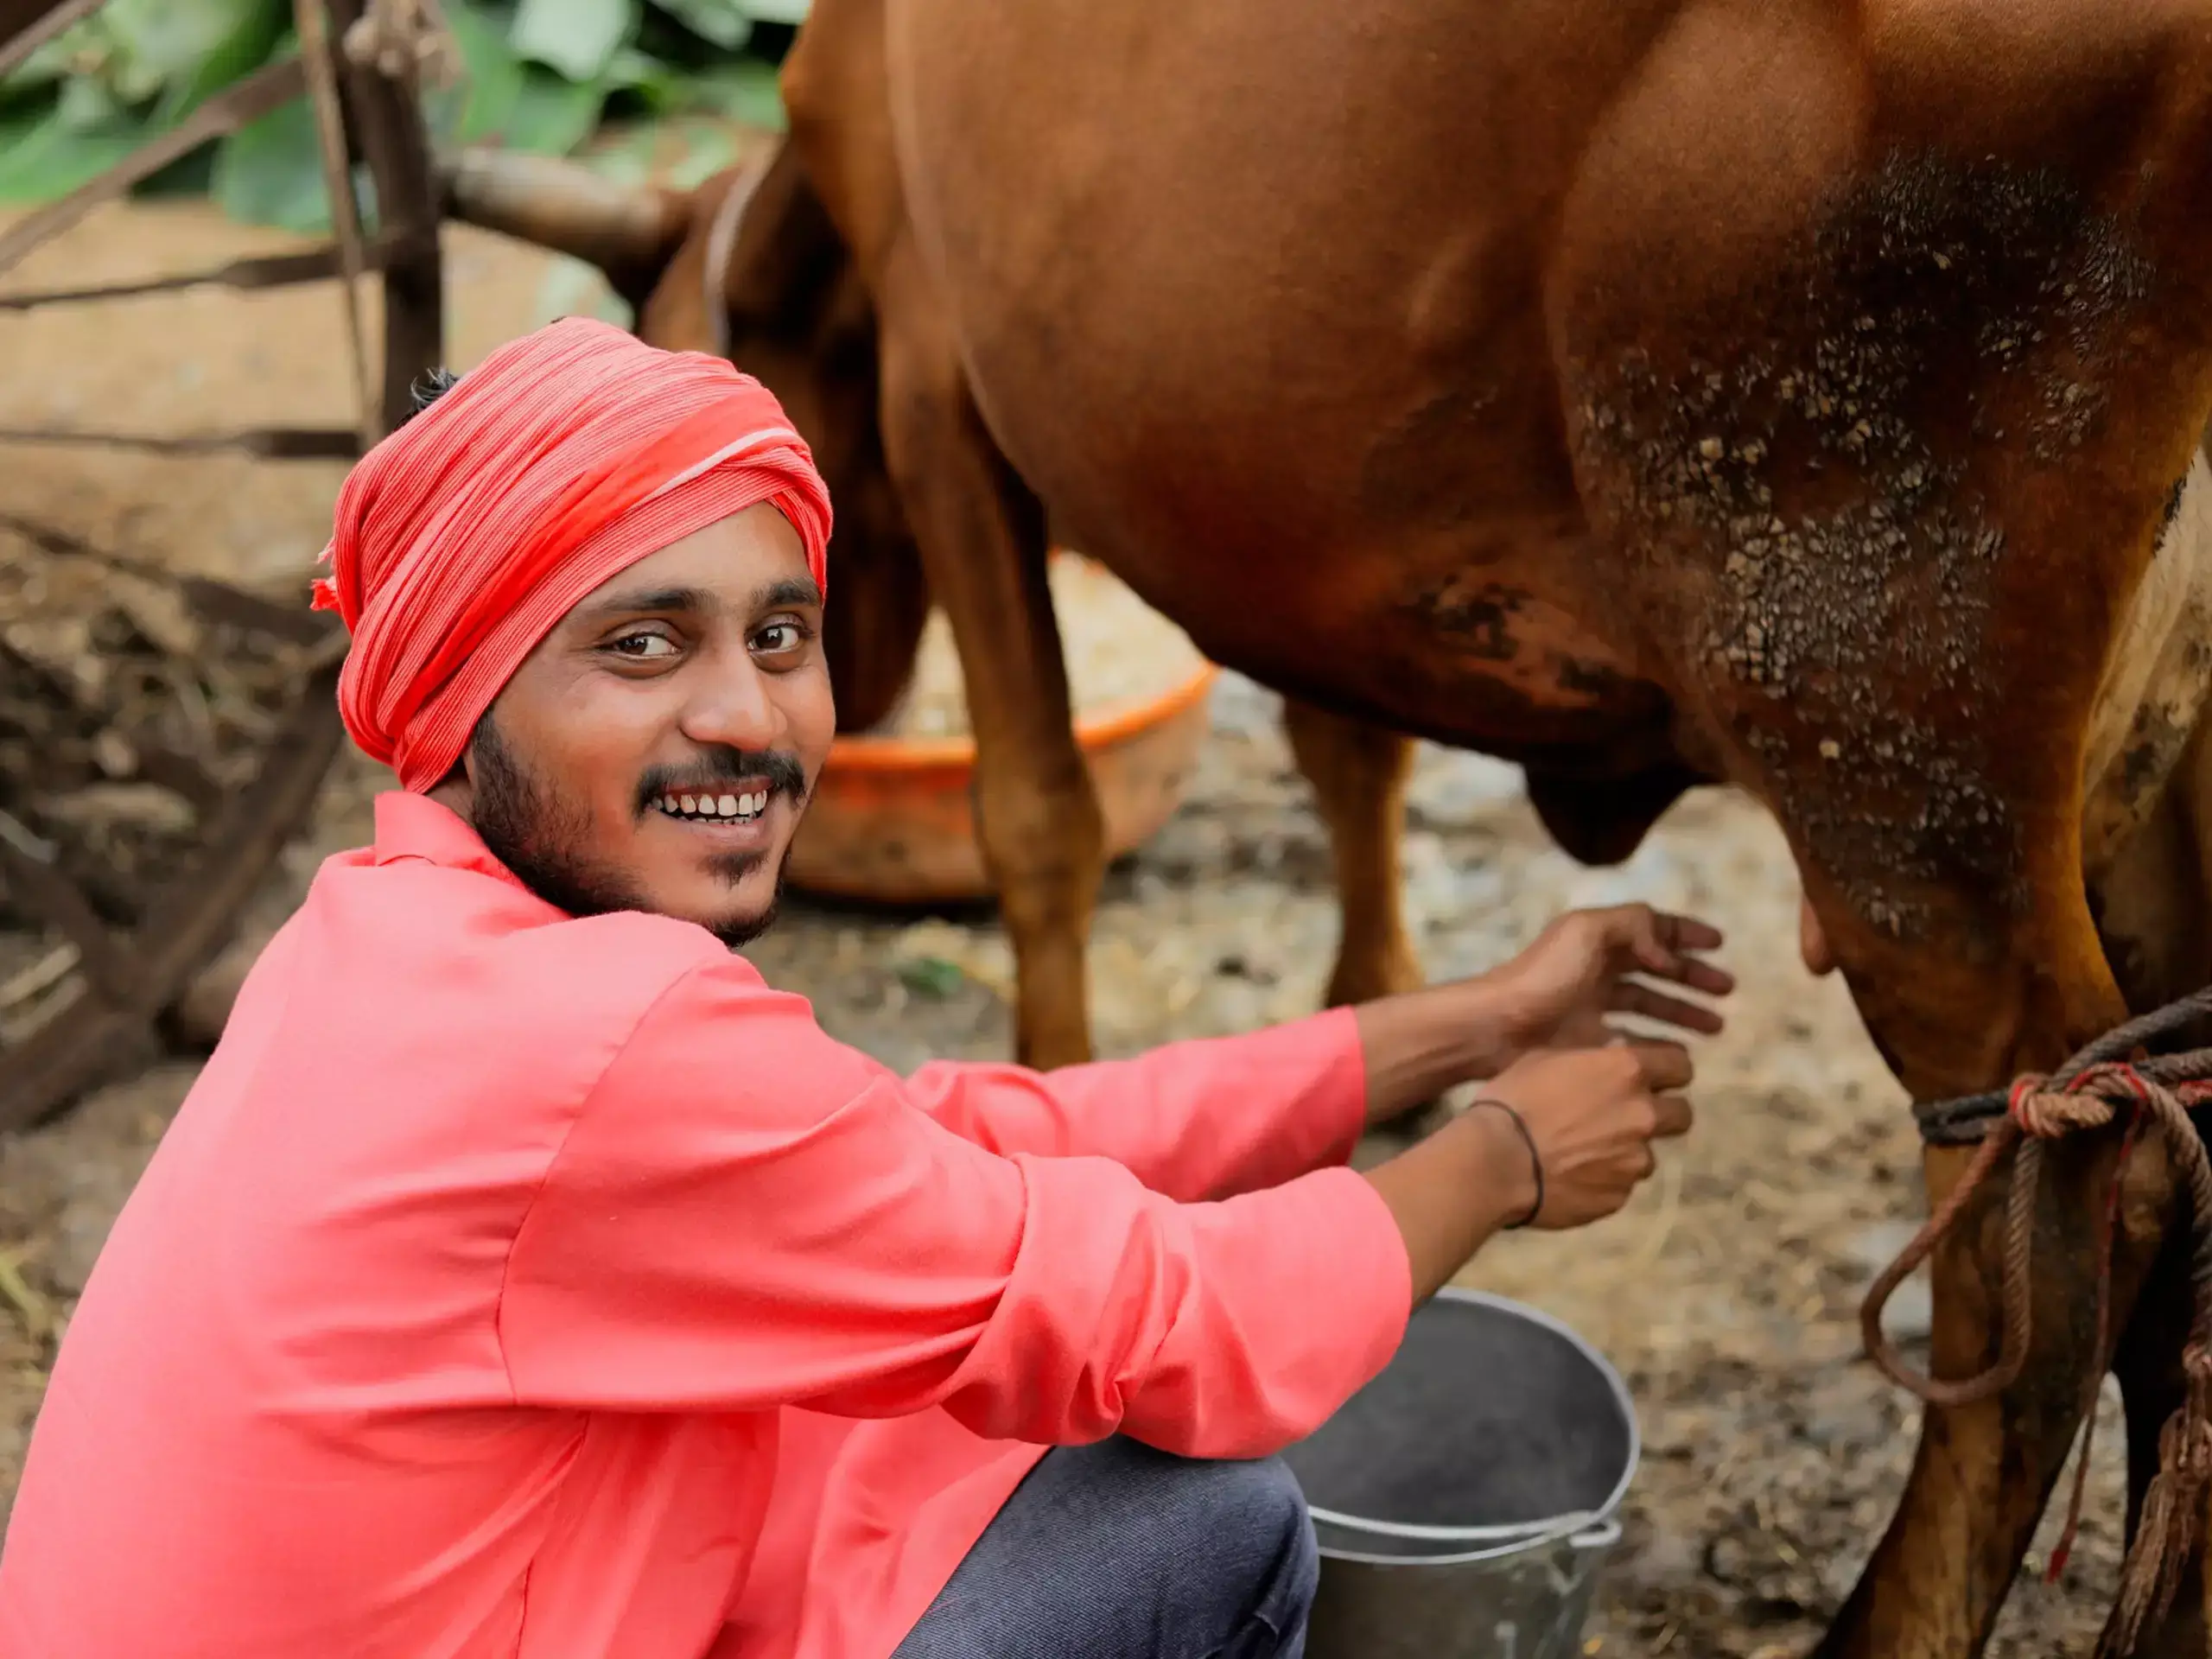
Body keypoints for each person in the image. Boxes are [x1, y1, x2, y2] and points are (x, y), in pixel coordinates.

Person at [0, 318, 1731, 1659]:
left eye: (776, 633)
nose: (749, 717)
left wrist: (1468, 1022)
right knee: (1192, 1515)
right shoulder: (596, 1042)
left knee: (904, 1411)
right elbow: (1182, 1328)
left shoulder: (383, 939)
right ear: (463, 698)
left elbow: (948, 1143)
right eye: (641, 643)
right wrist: (1498, 1155)